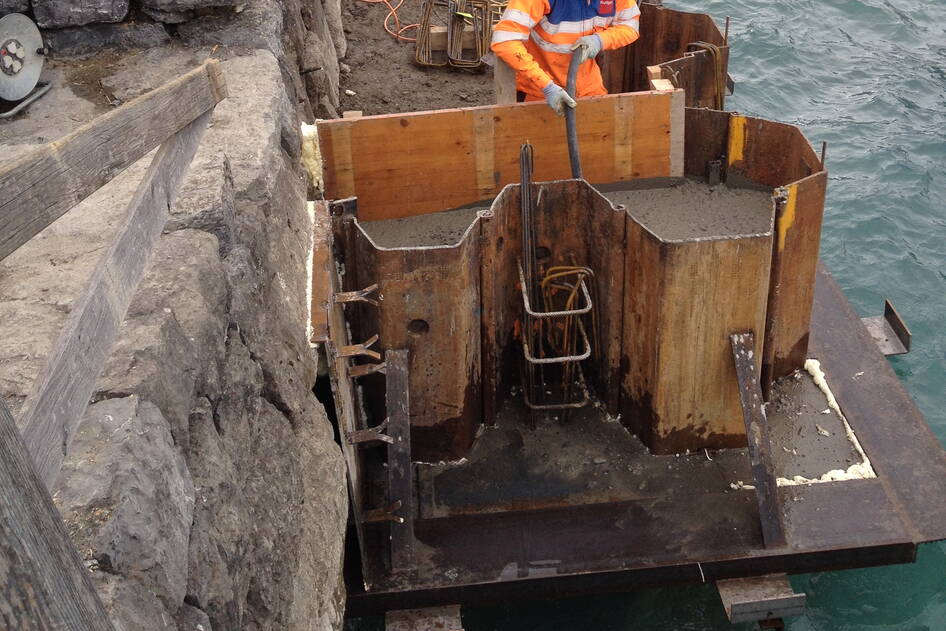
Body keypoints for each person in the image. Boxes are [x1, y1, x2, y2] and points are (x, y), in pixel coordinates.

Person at [490, 0, 641, 115]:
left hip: (589, 87)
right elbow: (504, 39)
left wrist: (600, 40)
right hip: (539, 90)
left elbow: (630, 26)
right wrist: (546, 86)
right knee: (540, 150)